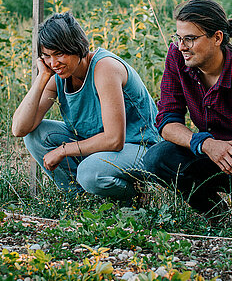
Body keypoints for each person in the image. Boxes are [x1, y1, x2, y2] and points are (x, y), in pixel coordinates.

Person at [143, 0, 232, 217]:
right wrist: (206, 144)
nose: (181, 47)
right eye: (178, 38)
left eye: (190, 39)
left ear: (217, 37)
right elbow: (167, 119)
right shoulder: (178, 58)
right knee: (156, 158)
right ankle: (216, 214)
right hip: (210, 155)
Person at [12, 12, 159, 202]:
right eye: (47, 56)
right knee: (35, 135)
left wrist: (63, 150)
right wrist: (41, 79)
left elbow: (114, 140)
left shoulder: (104, 67)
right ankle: (80, 200)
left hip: (140, 148)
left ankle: (136, 196)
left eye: (59, 54)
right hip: (100, 147)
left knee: (90, 173)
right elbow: (19, 129)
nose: (54, 63)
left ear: (77, 46)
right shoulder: (57, 73)